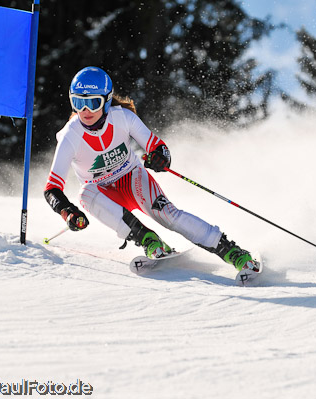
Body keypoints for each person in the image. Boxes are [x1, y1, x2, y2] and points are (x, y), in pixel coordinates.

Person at [44, 66, 261, 283]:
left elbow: (157, 146)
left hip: (132, 180)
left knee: (168, 215)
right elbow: (52, 189)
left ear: (107, 100)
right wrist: (67, 212)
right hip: (105, 196)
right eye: (78, 103)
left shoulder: (123, 118)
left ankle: (233, 252)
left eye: (93, 102)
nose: (85, 111)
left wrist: (159, 157)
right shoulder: (70, 136)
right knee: (85, 194)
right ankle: (148, 240)